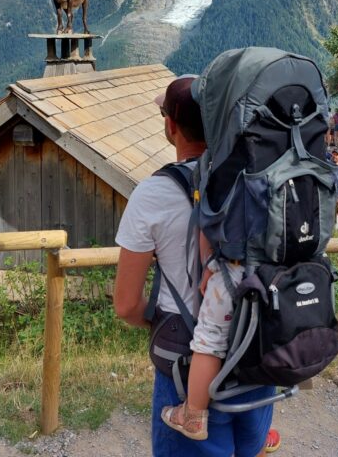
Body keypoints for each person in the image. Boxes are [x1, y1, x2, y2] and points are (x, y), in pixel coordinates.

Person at [113, 76, 280, 457]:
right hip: (257, 351)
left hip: (185, 363)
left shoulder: (153, 194)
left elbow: (126, 304)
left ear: (170, 126)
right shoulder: (257, 179)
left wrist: (155, 320)